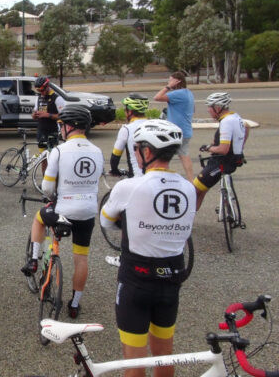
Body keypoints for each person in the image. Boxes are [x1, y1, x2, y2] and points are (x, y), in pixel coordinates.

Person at [100, 120, 195, 377]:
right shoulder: (189, 188)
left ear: (148, 152)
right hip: (172, 277)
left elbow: (106, 221)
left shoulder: (129, 186)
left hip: (136, 279)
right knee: (164, 356)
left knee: (134, 363)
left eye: (138, 148)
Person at [21, 105, 103, 319]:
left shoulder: (59, 151)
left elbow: (48, 187)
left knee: (39, 219)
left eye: (61, 125)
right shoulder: (97, 151)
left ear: (69, 126)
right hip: (87, 211)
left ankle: (34, 259)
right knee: (81, 258)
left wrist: (51, 199)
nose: (60, 129)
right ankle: (74, 304)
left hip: (64, 210)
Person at [193, 92, 248, 211]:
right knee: (203, 188)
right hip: (235, 160)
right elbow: (246, 126)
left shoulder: (226, 122)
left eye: (210, 107)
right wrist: (239, 147)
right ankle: (191, 217)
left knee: (194, 190)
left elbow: (223, 149)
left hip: (221, 162)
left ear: (217, 108)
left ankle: (186, 220)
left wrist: (208, 148)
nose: (208, 110)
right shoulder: (236, 117)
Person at [153, 71, 195, 181]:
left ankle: (161, 179)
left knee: (162, 155)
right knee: (184, 155)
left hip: (176, 132)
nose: (169, 82)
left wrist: (168, 87)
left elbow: (157, 97)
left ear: (177, 81)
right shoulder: (188, 93)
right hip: (186, 130)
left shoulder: (178, 93)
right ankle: (191, 181)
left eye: (170, 80)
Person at [110, 94, 149, 178]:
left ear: (130, 112)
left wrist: (114, 170)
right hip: (153, 176)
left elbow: (115, 156)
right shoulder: (153, 125)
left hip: (137, 176)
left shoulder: (127, 129)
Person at [32, 76, 65, 173]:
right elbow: (34, 113)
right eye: (38, 90)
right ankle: (44, 184)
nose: (40, 92)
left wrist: (48, 115)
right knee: (43, 160)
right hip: (41, 131)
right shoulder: (38, 97)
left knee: (53, 160)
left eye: (42, 90)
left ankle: (53, 182)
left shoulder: (57, 98)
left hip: (53, 131)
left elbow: (63, 116)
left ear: (47, 87)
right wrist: (34, 115)